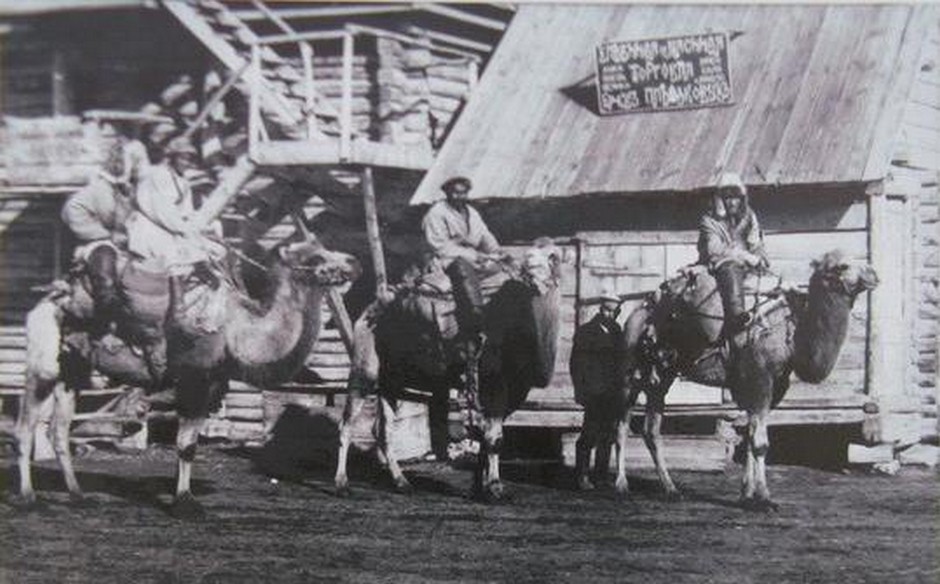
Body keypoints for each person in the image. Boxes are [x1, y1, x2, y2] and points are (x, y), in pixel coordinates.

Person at [61, 152, 136, 333]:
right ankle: (105, 322)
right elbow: (70, 210)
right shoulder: (95, 189)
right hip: (99, 243)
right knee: (105, 264)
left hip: (128, 242)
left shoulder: (126, 190)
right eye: (117, 164)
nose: (120, 167)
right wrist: (104, 234)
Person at [421, 176, 501, 345]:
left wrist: (496, 251)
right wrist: (473, 256)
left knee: (502, 270)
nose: (460, 196)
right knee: (461, 269)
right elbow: (439, 246)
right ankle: (476, 318)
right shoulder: (436, 213)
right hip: (446, 259)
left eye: (463, 193)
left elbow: (485, 235)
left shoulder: (471, 212)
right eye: (455, 193)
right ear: (447, 193)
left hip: (472, 257)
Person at [697, 172, 768, 339]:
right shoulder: (709, 220)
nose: (732, 202)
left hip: (746, 264)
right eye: (727, 198)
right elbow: (714, 249)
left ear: (742, 198)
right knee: (730, 267)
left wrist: (760, 257)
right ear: (720, 200)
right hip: (719, 265)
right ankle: (736, 317)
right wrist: (744, 256)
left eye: (736, 197)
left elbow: (755, 242)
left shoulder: (749, 216)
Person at [569, 289, 623, 490]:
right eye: (607, 311)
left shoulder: (617, 331)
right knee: (589, 434)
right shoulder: (586, 332)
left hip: (612, 393)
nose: (610, 315)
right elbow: (577, 364)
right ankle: (581, 476)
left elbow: (622, 362)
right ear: (601, 309)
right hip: (593, 392)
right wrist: (580, 391)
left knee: (608, 435)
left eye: (614, 312)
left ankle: (601, 476)